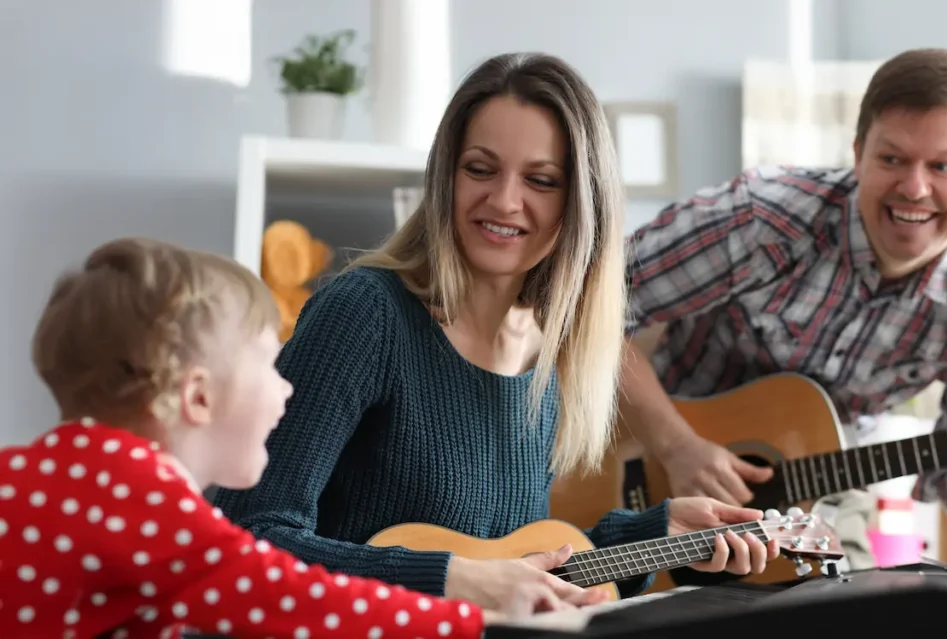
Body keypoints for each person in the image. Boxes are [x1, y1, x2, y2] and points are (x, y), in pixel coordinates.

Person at [212, 51, 779, 610]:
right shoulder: (363, 315)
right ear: (446, 177)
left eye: (541, 179)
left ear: (582, 205)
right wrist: (448, 579)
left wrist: (654, 538)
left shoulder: (548, 352)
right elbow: (247, 541)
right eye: (480, 169)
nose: (505, 200)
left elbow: (510, 563)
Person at [0, 237, 585, 639]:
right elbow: (291, 600)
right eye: (267, 362)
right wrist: (474, 619)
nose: (287, 389)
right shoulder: (140, 498)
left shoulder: (63, 476)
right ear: (198, 397)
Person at [617, 46, 947, 577]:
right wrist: (676, 445)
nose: (914, 188)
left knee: (853, 616)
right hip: (641, 462)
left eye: (943, 166)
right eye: (892, 158)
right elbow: (583, 310)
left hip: (822, 499)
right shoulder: (763, 217)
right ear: (857, 154)